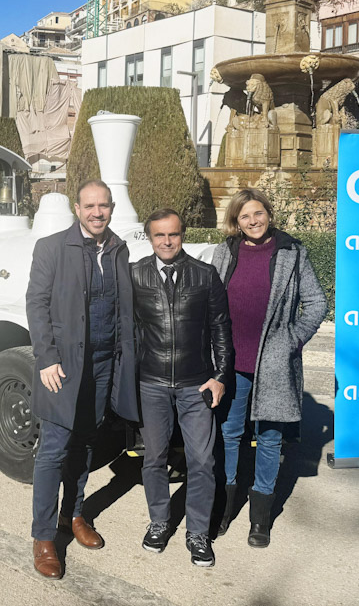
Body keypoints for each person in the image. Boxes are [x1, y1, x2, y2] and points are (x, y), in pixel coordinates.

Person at [25, 180, 140, 580]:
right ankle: (43, 537)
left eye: (103, 206)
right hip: (64, 366)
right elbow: (36, 305)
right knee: (53, 450)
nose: (97, 213)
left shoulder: (118, 249)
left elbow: (123, 308)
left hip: (104, 364)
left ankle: (72, 515)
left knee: (86, 445)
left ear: (111, 208)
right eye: (90, 206)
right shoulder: (52, 247)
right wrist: (46, 357)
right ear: (78, 208)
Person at [210, 188, 327, 548]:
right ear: (236, 221)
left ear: (269, 214)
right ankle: (224, 508)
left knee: (270, 438)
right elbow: (210, 300)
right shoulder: (224, 252)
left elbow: (317, 302)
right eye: (245, 216)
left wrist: (291, 340)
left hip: (273, 362)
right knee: (229, 433)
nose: (253, 221)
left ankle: (260, 519)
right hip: (232, 360)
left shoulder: (291, 252)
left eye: (258, 213)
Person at [131, 209, 232, 567]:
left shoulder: (205, 275)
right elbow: (127, 331)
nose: (167, 241)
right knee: (154, 458)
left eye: (173, 234)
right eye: (160, 235)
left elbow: (221, 328)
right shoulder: (136, 274)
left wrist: (220, 375)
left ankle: (198, 533)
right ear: (150, 238)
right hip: (152, 383)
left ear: (182, 234)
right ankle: (159, 522)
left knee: (202, 461)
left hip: (196, 384)